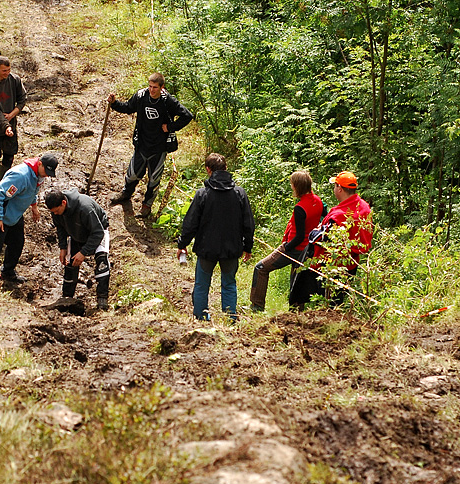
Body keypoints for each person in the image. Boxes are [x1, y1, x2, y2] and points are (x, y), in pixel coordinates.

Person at [176, 153, 255, 321]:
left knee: (202, 285)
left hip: (206, 249)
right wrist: (248, 246)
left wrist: (182, 244)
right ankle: (230, 318)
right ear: (226, 168)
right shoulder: (239, 194)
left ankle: (201, 317)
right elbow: (248, 224)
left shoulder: (202, 194)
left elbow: (190, 223)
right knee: (229, 284)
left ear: (208, 170)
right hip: (231, 249)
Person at [108, 73, 193, 217]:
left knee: (154, 180)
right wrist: (115, 103)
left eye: (155, 87)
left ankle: (147, 205)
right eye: (150, 86)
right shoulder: (141, 96)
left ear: (162, 87)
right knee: (132, 174)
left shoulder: (168, 101)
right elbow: (128, 107)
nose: (152, 90)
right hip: (142, 144)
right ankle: (126, 194)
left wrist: (170, 127)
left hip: (159, 147)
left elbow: (187, 115)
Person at [0, 153, 58, 288]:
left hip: (14, 216)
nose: (46, 175)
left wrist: (34, 206)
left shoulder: (38, 175)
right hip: (0, 215)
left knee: (17, 243)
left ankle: (7, 271)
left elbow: (32, 191)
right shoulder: (20, 176)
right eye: (46, 171)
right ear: (39, 163)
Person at [289, 171, 373, 308]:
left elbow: (319, 238)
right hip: (351, 264)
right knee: (338, 302)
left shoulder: (339, 215)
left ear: (339, 188)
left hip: (331, 265)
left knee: (328, 304)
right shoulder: (364, 207)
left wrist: (316, 231)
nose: (334, 189)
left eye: (335, 186)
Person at [249, 171, 325, 312]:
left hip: (295, 248)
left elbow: (299, 237)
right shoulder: (318, 201)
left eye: (292, 184)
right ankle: (295, 314)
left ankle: (256, 306)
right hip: (308, 250)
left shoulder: (300, 208)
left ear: (297, 186)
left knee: (261, 268)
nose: (291, 187)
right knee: (296, 282)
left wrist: (286, 247)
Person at [45, 188, 111, 310]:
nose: (55, 214)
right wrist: (63, 247)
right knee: (70, 263)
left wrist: (83, 252)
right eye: (53, 212)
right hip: (76, 233)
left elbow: (98, 232)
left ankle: (102, 299)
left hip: (98, 231)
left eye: (57, 211)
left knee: (102, 263)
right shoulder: (56, 211)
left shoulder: (85, 208)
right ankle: (67, 297)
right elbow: (60, 228)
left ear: (63, 203)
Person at [0, 56, 27, 199]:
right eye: (4, 71)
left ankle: (0, 191)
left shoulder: (14, 80)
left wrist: (12, 115)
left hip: (10, 128)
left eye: (9, 70)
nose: (7, 73)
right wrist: (6, 125)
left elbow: (22, 99)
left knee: (9, 158)